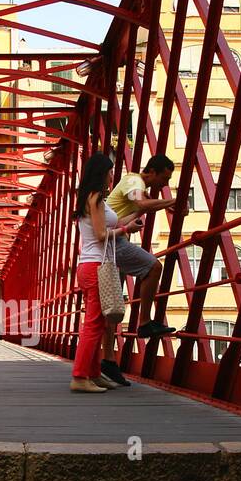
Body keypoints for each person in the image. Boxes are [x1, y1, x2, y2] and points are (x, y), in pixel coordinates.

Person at [99, 154, 177, 385]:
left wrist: (169, 206)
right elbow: (143, 205)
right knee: (153, 267)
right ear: (151, 171)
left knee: (112, 308)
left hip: (107, 243)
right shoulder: (135, 181)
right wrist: (172, 202)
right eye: (164, 178)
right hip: (112, 241)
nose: (165, 184)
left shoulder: (138, 187)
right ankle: (144, 322)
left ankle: (108, 362)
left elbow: (144, 205)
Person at [70, 152, 141, 393]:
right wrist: (126, 230)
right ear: (103, 173)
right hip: (96, 266)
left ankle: (93, 374)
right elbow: (102, 236)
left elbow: (113, 221)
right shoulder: (97, 197)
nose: (113, 175)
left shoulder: (90, 198)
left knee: (98, 323)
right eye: (111, 171)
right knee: (93, 324)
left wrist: (136, 215)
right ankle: (80, 376)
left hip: (90, 265)